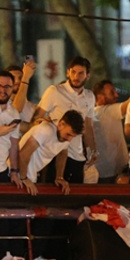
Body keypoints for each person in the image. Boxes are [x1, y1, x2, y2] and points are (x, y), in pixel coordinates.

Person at [32, 56, 99, 184]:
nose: (76, 76)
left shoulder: (89, 97)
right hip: (55, 152)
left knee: (74, 194)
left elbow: (88, 127)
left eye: (81, 73)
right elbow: (36, 117)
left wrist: (93, 150)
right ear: (67, 72)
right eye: (73, 72)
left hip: (77, 154)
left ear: (87, 76)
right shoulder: (54, 91)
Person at [92, 79, 129, 183]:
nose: (116, 95)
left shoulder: (93, 114)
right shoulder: (107, 111)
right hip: (113, 172)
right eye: (112, 92)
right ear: (100, 97)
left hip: (100, 171)